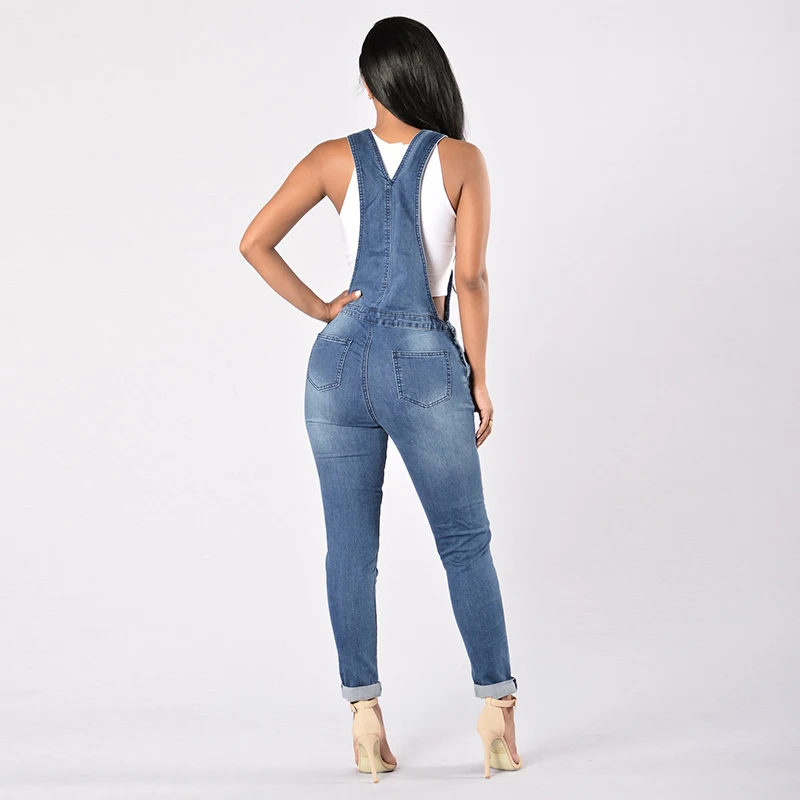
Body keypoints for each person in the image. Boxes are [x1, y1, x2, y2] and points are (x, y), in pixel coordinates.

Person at [239, 16, 521, 782]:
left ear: (369, 84)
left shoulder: (332, 159)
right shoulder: (461, 160)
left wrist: (323, 309)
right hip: (423, 360)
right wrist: (479, 377)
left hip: (336, 362)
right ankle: (496, 710)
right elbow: (470, 280)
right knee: (464, 542)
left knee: (349, 549)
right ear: (430, 76)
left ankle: (364, 719)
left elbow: (254, 241)